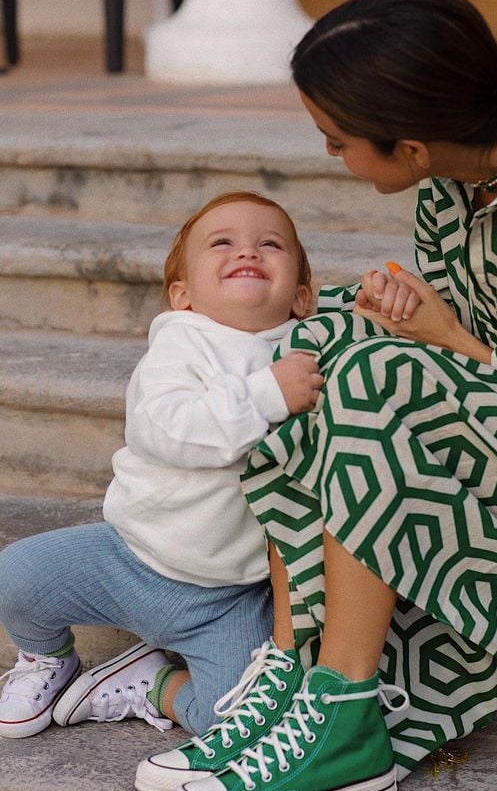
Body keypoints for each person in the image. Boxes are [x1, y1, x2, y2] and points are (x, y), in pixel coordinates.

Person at [138, 0, 497, 791]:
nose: (330, 157)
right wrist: (388, 314)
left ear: (412, 146)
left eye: (337, 141)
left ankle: (348, 714)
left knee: (373, 379)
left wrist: (452, 345)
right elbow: (475, 355)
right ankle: (291, 668)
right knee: (310, 348)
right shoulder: (448, 191)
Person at [0, 191, 322, 742]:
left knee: (238, 722)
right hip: (129, 558)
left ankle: (153, 684)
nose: (248, 250)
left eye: (270, 244)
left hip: (230, 595)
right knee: (16, 577)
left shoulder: (309, 352)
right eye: (222, 243)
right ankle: (47, 659)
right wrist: (268, 395)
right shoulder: (180, 346)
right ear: (183, 295)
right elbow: (170, 428)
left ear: (301, 296)